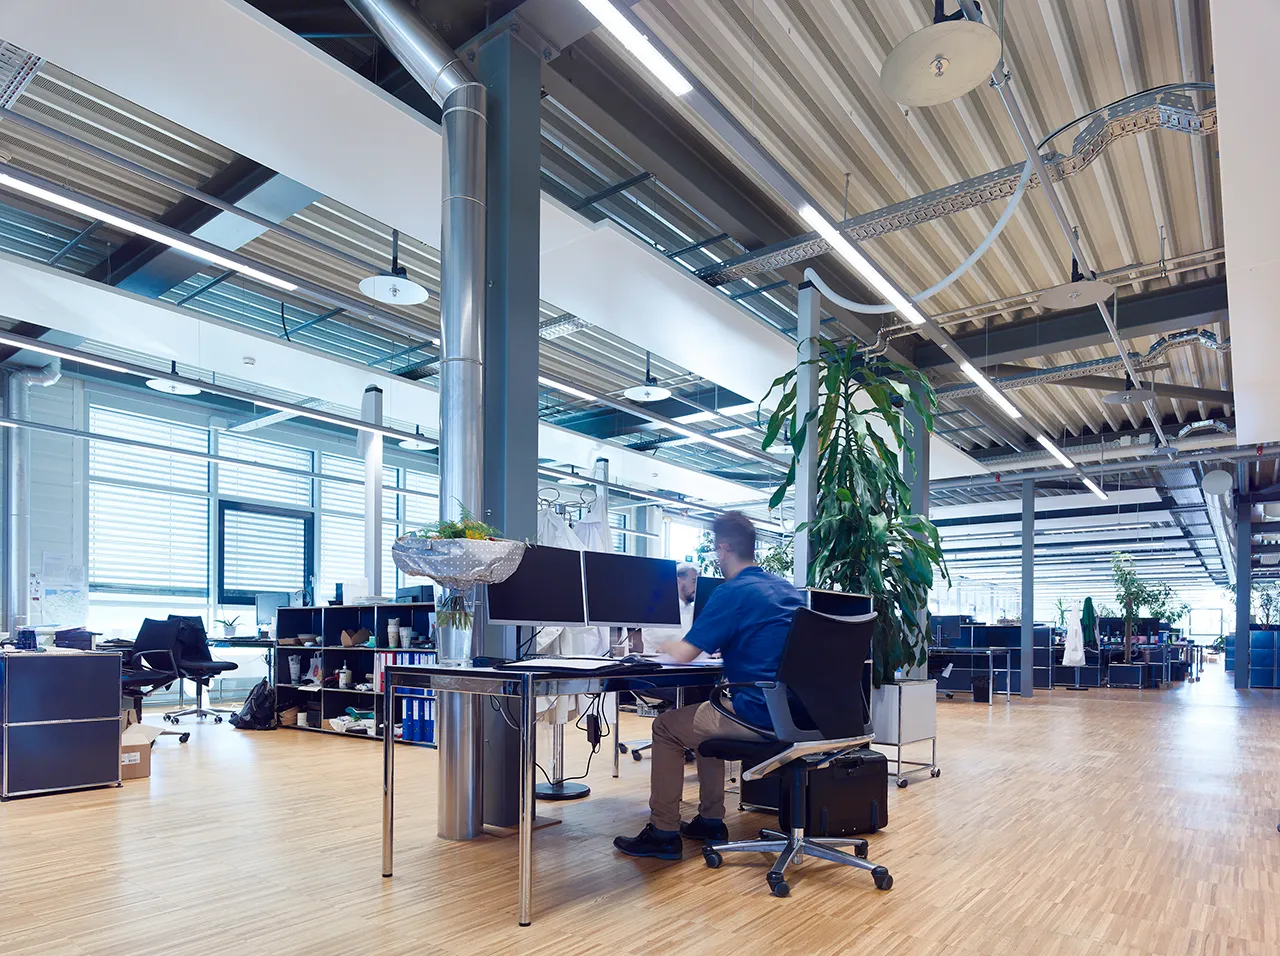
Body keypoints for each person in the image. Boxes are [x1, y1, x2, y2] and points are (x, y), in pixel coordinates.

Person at [613, 511, 805, 860]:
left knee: (666, 727)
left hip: (756, 715)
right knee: (704, 718)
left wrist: (663, 643)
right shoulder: (787, 590)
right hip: (797, 714)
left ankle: (663, 832)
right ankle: (711, 821)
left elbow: (685, 653)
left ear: (724, 547)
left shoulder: (732, 591)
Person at [639, 562, 698, 654]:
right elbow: (659, 643)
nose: (697, 586)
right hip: (659, 662)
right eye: (694, 581)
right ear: (678, 581)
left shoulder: (696, 611)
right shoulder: (657, 609)